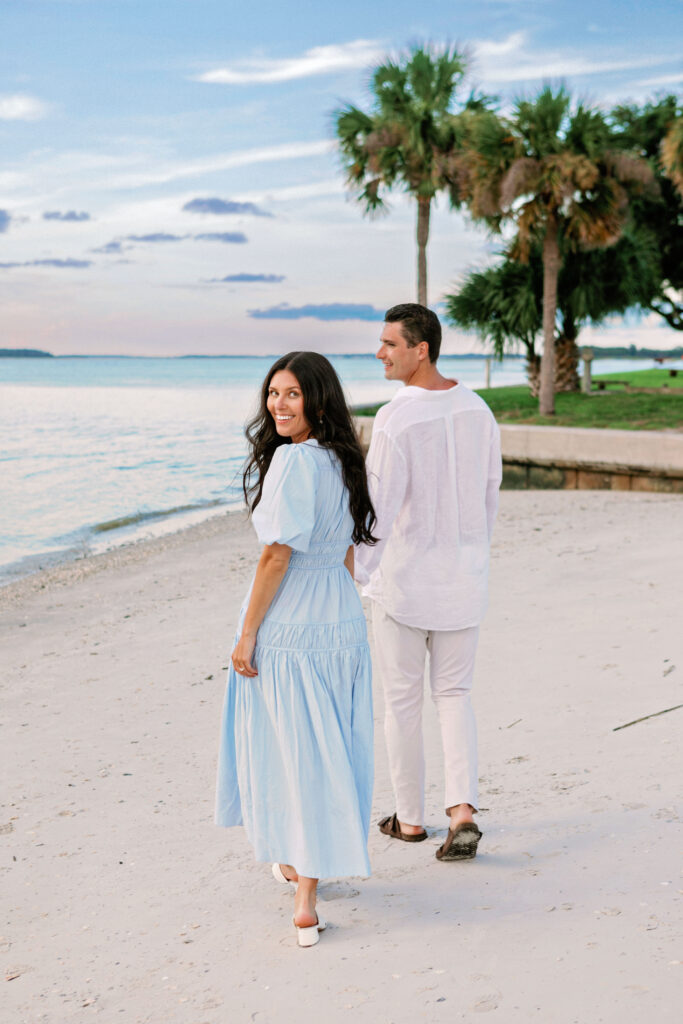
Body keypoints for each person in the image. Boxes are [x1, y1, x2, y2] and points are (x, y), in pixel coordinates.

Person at [215, 351, 377, 947]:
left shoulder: (291, 462)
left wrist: (248, 632)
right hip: (338, 616)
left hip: (294, 623)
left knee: (295, 753)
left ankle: (305, 898)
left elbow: (275, 556)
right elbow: (350, 550)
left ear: (316, 398)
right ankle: (301, 867)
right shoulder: (344, 458)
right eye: (273, 394)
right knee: (328, 747)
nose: (278, 405)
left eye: (291, 395)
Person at [354, 304, 502, 861]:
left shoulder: (396, 417)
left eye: (390, 343)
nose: (380, 352)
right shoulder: (479, 410)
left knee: (401, 703)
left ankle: (411, 819)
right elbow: (490, 495)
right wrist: (471, 555)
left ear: (422, 350)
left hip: (408, 582)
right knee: (455, 695)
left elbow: (380, 509)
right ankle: (462, 810)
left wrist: (358, 574)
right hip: (464, 579)